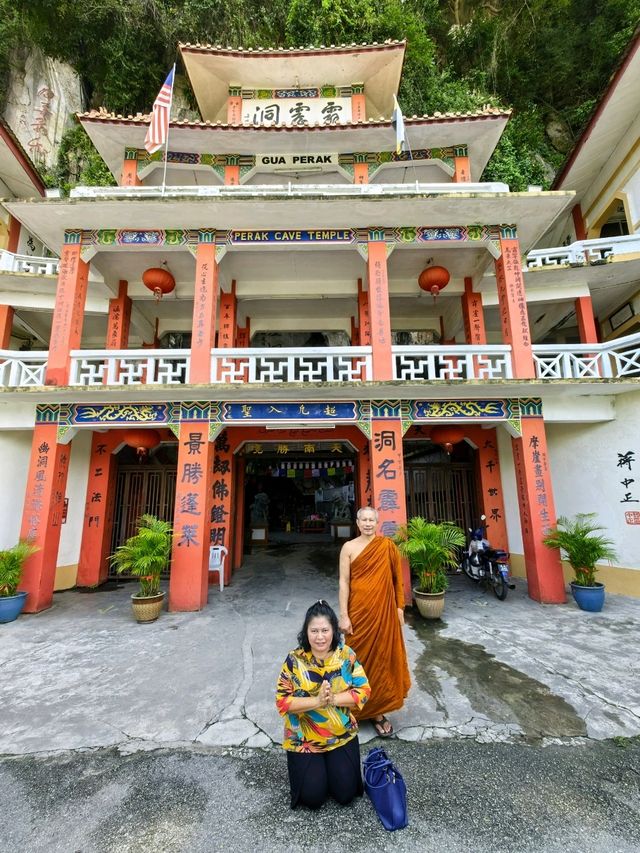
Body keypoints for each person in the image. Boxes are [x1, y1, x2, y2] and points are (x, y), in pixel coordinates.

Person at [275, 600, 371, 809]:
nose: (320, 637)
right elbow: (282, 701)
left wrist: (334, 699)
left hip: (340, 734)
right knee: (312, 800)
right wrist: (317, 701)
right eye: (314, 630)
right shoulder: (294, 660)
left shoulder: (346, 655)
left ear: (334, 631)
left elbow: (363, 691)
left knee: (345, 796)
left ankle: (330, 770)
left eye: (325, 630)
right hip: (304, 738)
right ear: (306, 632)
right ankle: (319, 773)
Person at [338, 506, 410, 738]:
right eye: (364, 520)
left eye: (372, 520)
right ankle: (353, 709)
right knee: (355, 660)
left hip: (384, 613)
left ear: (376, 523)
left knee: (381, 659)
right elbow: (344, 582)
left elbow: (397, 579)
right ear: (357, 523)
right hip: (358, 613)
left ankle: (377, 712)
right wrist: (343, 615)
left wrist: (399, 607)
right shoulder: (348, 547)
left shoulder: (386, 547)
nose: (368, 523)